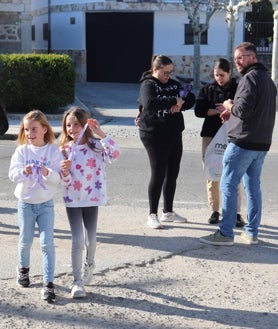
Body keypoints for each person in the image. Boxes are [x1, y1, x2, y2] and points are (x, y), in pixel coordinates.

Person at [200, 42, 277, 246]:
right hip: (261, 143)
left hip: (243, 142)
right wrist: (232, 115)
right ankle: (251, 233)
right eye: (235, 59)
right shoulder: (269, 81)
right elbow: (254, 111)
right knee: (253, 187)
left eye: (240, 57)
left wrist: (228, 105)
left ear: (252, 57)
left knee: (228, 184)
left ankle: (225, 233)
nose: (237, 62)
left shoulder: (249, 79)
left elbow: (242, 109)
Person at [59, 106, 120, 298]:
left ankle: (89, 264)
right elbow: (62, 180)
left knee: (90, 241)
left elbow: (115, 153)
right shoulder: (63, 149)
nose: (72, 129)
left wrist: (100, 132)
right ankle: (77, 282)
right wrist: (65, 172)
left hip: (92, 199)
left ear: (85, 124)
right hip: (72, 200)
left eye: (76, 124)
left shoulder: (96, 145)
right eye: (68, 125)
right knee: (77, 240)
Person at [8, 110, 63, 303]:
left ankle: (48, 284)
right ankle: (23, 269)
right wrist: (23, 171)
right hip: (25, 204)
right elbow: (12, 175)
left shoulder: (53, 151)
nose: (30, 133)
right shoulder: (22, 151)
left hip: (46, 204)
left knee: (47, 243)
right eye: (26, 129)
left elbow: (58, 179)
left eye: (34, 129)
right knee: (26, 241)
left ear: (44, 129)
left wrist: (48, 172)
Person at [137, 54, 196, 229]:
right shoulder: (148, 84)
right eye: (165, 72)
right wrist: (173, 101)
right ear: (155, 70)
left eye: (170, 72)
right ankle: (152, 214)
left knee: (172, 173)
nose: (168, 76)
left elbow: (190, 98)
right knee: (158, 172)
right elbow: (149, 102)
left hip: (174, 132)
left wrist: (180, 104)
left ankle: (168, 212)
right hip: (154, 134)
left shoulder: (173, 84)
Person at [194, 58, 245, 227]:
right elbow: (199, 110)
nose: (219, 78)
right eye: (216, 75)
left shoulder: (238, 88)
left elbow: (242, 109)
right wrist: (217, 110)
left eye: (222, 75)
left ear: (230, 73)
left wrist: (229, 108)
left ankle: (236, 213)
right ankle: (214, 210)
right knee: (212, 174)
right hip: (210, 135)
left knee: (234, 175)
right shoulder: (207, 89)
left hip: (232, 136)